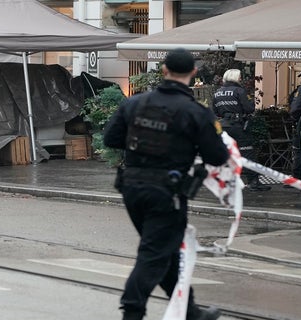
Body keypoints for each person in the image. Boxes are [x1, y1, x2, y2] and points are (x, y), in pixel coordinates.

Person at [103, 48, 228, 320]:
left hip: (132, 188)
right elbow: (217, 157)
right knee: (154, 252)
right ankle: (132, 310)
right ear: (194, 73)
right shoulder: (196, 112)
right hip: (166, 193)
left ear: (163, 71)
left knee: (165, 250)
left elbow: (111, 139)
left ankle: (189, 310)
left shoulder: (133, 103)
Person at [212, 69, 270, 192]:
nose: (241, 79)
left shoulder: (217, 92)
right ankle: (253, 182)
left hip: (223, 126)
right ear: (235, 78)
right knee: (247, 153)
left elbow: (215, 111)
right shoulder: (239, 91)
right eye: (239, 77)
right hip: (238, 126)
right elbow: (249, 108)